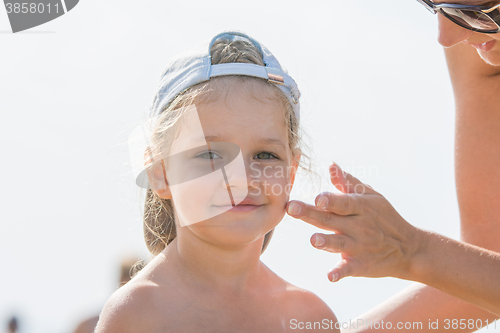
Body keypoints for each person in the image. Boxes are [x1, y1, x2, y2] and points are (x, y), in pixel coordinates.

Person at [95, 31, 340, 332]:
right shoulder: (137, 314)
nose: (240, 178)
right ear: (160, 172)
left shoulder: (310, 318)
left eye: (265, 155)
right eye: (210, 154)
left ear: (290, 174)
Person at [286, 0, 500, 330]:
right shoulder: (477, 41)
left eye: (480, 12)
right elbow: (486, 265)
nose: (446, 35)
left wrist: (413, 251)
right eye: (433, 4)